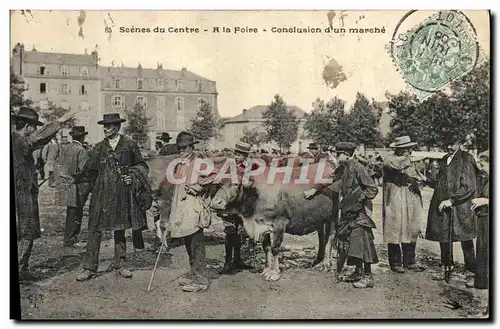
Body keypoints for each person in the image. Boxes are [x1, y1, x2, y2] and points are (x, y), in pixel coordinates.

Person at [64, 113, 150, 282]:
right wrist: (75, 179)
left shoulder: (129, 145)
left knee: (120, 228)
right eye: (104, 126)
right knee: (94, 229)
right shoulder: (98, 148)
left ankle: (121, 264)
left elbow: (142, 166)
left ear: (117, 127)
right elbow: (90, 171)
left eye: (109, 126)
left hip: (121, 193)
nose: (105, 128)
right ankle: (89, 268)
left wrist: (132, 176)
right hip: (101, 193)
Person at [12, 107, 75, 279]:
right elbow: (37, 139)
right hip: (22, 194)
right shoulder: (19, 141)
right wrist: (59, 122)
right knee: (26, 231)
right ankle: (20, 270)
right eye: (33, 127)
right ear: (27, 127)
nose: (34, 130)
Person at [304, 142, 379, 288]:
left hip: (359, 212)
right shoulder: (343, 168)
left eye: (339, 154)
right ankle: (358, 272)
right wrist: (315, 189)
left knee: (363, 241)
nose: (337, 157)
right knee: (352, 242)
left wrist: (358, 199)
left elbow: (372, 189)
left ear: (346, 154)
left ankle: (368, 277)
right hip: (348, 211)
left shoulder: (358, 168)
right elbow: (331, 178)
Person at [161, 131, 216, 292]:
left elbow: (214, 176)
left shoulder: (199, 162)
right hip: (182, 208)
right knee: (187, 241)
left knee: (196, 243)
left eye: (184, 148)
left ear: (192, 147)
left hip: (194, 208)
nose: (181, 152)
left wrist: (197, 187)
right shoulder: (180, 164)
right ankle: (194, 273)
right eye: (179, 148)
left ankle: (201, 280)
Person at [424, 136, 477, 287]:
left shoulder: (466, 158)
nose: (448, 147)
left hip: (460, 206)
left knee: (465, 239)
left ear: (459, 143)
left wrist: (452, 200)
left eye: (452, 144)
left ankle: (471, 272)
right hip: (443, 205)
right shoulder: (444, 159)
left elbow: (469, 186)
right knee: (444, 237)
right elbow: (440, 182)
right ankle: (446, 267)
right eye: (446, 144)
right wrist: (426, 180)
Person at [382, 136, 426, 273]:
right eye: (407, 148)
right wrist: (410, 161)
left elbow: (416, 176)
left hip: (410, 198)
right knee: (395, 228)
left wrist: (419, 179)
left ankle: (410, 261)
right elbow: (396, 165)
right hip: (394, 198)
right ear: (400, 149)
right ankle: (395, 262)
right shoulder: (390, 159)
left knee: (411, 227)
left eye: (410, 148)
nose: (410, 151)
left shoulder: (410, 161)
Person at [219, 141, 253, 275]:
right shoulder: (229, 166)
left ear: (245, 156)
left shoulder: (249, 167)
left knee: (239, 233)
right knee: (230, 232)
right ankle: (227, 263)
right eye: (236, 154)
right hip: (230, 203)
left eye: (240, 155)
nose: (237, 157)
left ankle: (237, 260)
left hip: (242, 204)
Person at [62, 126, 91, 250]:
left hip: (67, 183)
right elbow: (83, 170)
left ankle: (69, 238)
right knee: (76, 213)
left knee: (71, 212)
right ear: (82, 137)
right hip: (78, 185)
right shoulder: (81, 150)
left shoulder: (66, 148)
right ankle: (72, 239)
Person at [469, 150, 489, 317]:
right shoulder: (486, 179)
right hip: (484, 222)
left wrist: (486, 201)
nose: (480, 167)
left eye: (483, 164)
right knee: (484, 258)